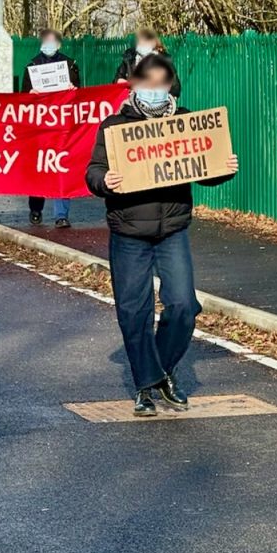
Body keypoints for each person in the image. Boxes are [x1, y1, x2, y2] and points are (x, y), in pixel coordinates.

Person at [86, 53, 239, 417]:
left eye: (160, 83)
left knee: (184, 305)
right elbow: (94, 171)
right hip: (128, 232)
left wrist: (223, 169)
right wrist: (105, 181)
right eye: (146, 82)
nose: (153, 90)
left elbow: (204, 167)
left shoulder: (185, 122)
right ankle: (144, 386)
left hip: (172, 229)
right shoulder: (114, 127)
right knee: (133, 311)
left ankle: (163, 371)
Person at [21, 29, 81, 227]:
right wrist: (30, 93)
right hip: (40, 126)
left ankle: (61, 215)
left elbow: (80, 95)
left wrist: (74, 91)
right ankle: (36, 208)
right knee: (40, 168)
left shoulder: (70, 64)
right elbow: (22, 98)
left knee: (61, 168)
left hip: (63, 126)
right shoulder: (32, 66)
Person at [113, 29, 182, 98]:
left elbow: (175, 88)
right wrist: (122, 82)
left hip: (157, 104)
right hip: (131, 102)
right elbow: (116, 82)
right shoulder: (129, 59)